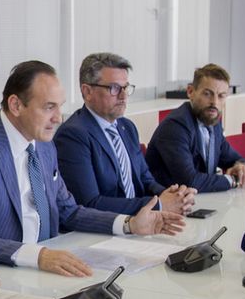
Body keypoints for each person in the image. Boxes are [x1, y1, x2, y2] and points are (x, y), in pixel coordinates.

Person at [0, 60, 184, 276]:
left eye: (59, 107)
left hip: (49, 266)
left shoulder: (43, 144)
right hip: (5, 272)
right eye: (49, 107)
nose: (58, 118)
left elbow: (68, 211)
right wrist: (38, 256)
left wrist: (129, 224)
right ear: (16, 105)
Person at [55, 52, 196, 214]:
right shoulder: (73, 135)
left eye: (126, 88)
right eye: (114, 88)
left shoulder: (127, 127)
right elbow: (89, 203)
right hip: (108, 226)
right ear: (87, 92)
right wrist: (158, 205)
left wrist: (173, 196)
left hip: (140, 221)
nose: (123, 96)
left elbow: (145, 179)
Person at [146, 63, 245, 192]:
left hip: (199, 199)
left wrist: (241, 168)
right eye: (207, 94)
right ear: (190, 91)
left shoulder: (213, 122)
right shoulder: (175, 126)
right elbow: (190, 181)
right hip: (167, 200)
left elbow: (233, 158)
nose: (215, 102)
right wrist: (232, 180)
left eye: (221, 96)